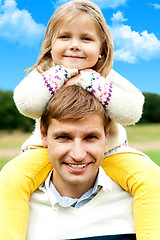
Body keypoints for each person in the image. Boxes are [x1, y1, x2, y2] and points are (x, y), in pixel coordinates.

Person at [0, 0, 160, 239]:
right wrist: (63, 72)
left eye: (86, 39)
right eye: (65, 37)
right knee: (11, 178)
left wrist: (90, 80)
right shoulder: (46, 71)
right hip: (47, 151)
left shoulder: (105, 75)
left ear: (102, 48)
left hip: (112, 152)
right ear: (50, 45)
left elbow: (132, 111)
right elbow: (27, 104)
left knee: (150, 177)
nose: (74, 46)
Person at [27, 84, 136, 240]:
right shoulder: (17, 207)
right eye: (64, 137)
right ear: (44, 135)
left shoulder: (138, 202)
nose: (78, 154)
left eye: (90, 137)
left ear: (106, 136)